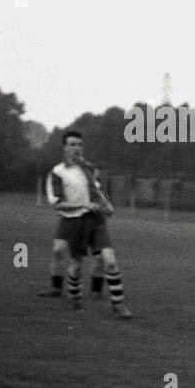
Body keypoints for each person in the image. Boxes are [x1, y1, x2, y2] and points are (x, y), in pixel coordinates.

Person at [44, 131, 132, 318]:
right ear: (65, 147)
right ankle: (74, 296)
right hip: (75, 221)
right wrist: (82, 204)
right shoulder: (57, 172)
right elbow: (58, 203)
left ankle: (119, 306)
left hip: (95, 219)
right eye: (72, 144)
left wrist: (107, 204)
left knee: (110, 260)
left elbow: (97, 191)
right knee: (75, 264)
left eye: (79, 145)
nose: (77, 148)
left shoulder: (89, 168)